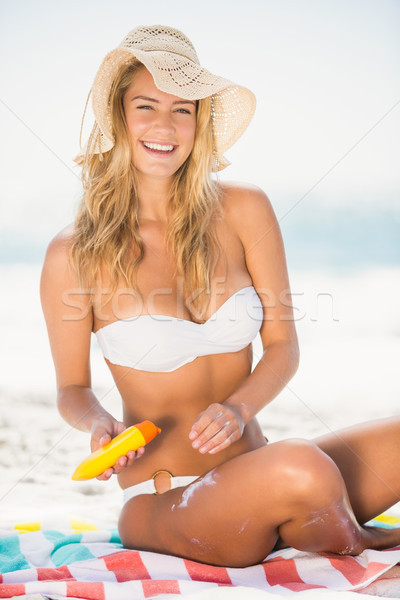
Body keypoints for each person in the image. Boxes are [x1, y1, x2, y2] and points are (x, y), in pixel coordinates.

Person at [40, 25, 400, 568]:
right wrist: (97, 425)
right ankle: (349, 538)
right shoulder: (74, 254)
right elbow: (71, 388)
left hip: (257, 471)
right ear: (119, 118)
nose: (164, 126)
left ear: (199, 122)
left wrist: (238, 408)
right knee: (302, 464)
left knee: (323, 458)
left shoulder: (244, 209)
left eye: (182, 109)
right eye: (146, 106)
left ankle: (300, 518)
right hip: (169, 498)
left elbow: (282, 347)